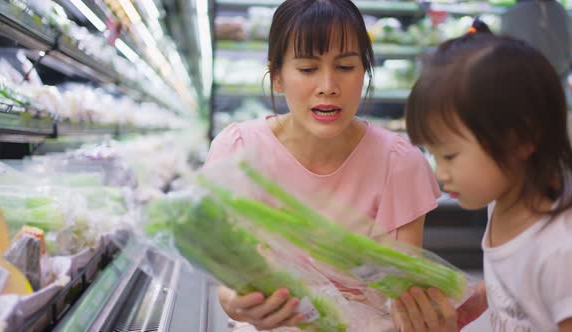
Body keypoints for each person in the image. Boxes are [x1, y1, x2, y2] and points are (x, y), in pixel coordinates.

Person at [204, 0, 441, 330]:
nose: (328, 86)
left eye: (345, 67)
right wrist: (234, 300)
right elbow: (227, 273)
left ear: (365, 71)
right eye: (307, 69)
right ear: (277, 77)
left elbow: (402, 292)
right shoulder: (238, 151)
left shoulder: (399, 163)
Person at [392, 18, 572, 332]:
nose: (440, 173)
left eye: (448, 155)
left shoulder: (560, 251)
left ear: (520, 139)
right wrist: (484, 296)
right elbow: (517, 280)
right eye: (433, 155)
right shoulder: (503, 202)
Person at [501, 0, 572, 108]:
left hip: (527, 80)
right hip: (556, 79)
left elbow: (505, 51)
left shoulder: (513, 13)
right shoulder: (560, 10)